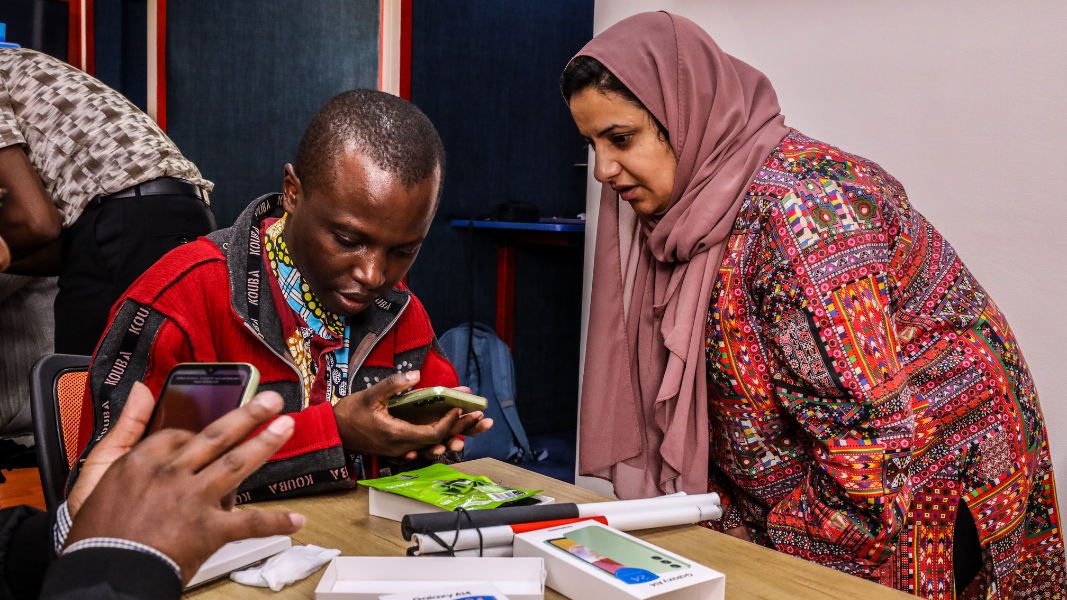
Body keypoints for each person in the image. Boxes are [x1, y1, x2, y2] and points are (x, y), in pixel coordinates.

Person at [565, 11, 1064, 599]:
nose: (604, 170)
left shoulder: (807, 218)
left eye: (621, 138)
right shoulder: (692, 214)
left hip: (930, 477)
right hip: (821, 485)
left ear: (686, 114)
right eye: (592, 144)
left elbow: (870, 449)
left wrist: (773, 565)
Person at [72, 89, 492, 503]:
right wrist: (334, 432)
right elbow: (111, 493)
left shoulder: (400, 310)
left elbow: (429, 474)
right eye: (347, 239)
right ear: (292, 191)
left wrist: (428, 438)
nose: (373, 275)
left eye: (404, 251)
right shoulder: (181, 298)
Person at [0, 47, 216, 356]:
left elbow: (37, 224)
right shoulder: (21, 65)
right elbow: (57, 247)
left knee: (83, 392)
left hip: (122, 219)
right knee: (157, 389)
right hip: (182, 212)